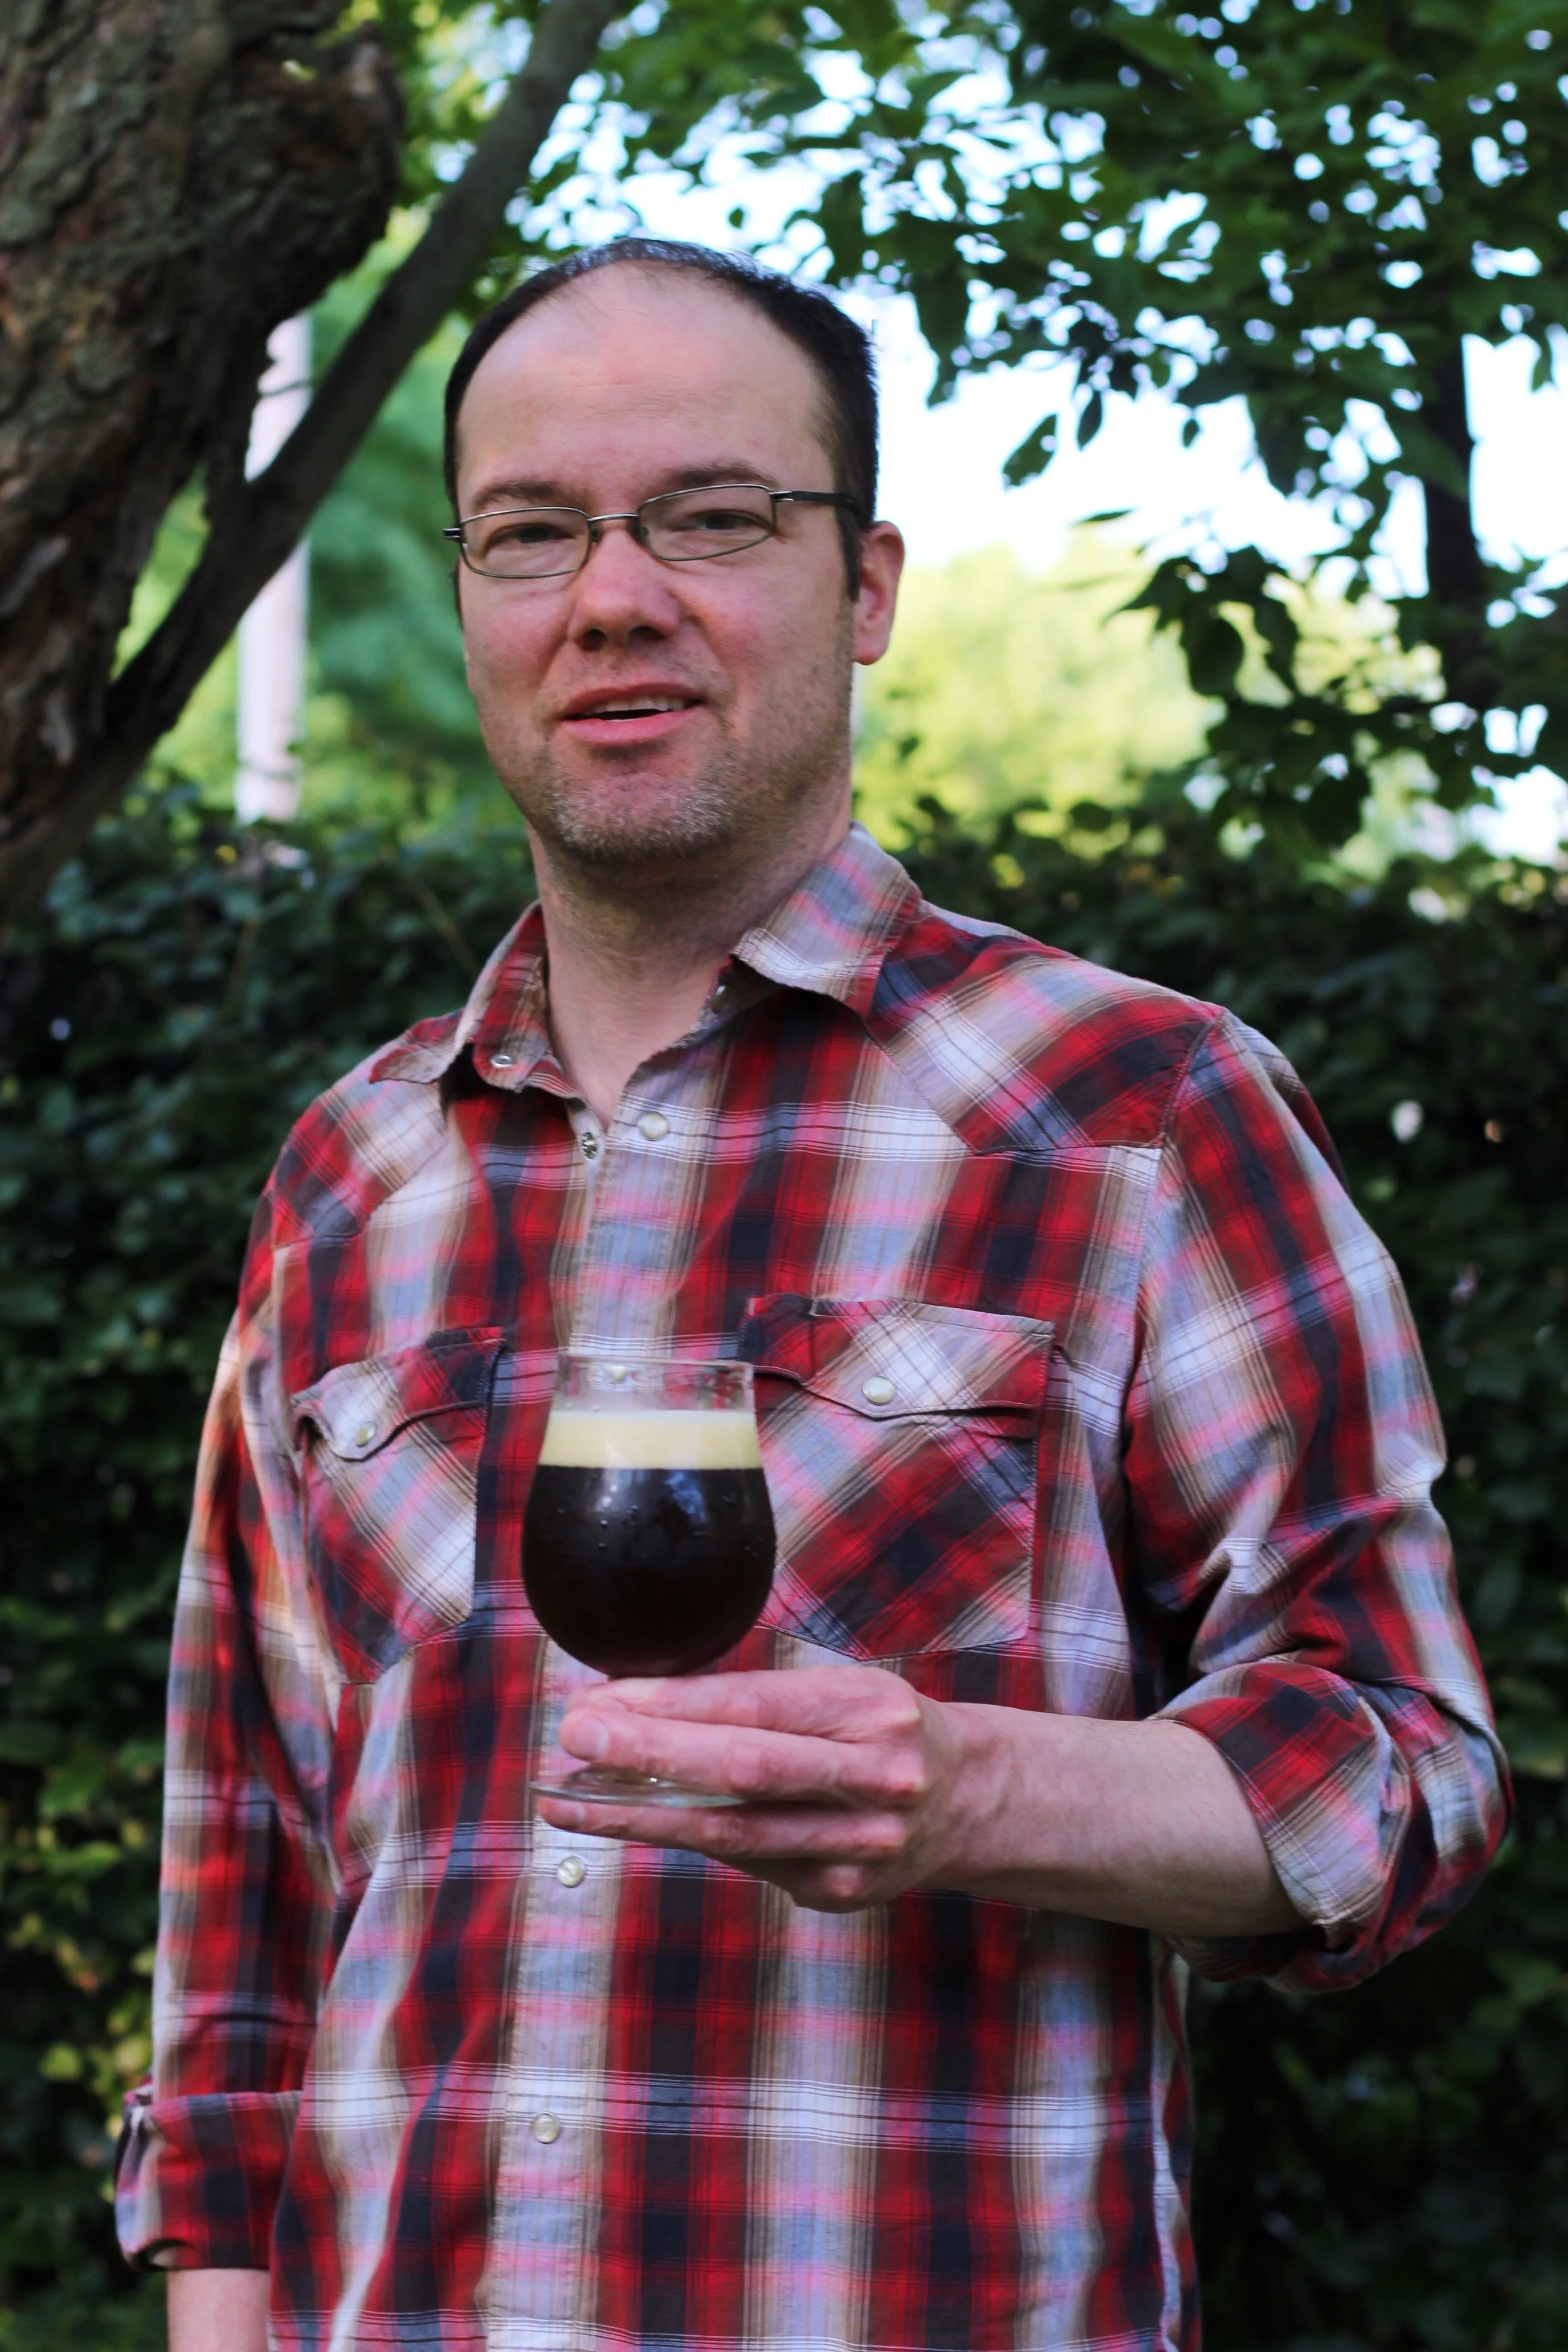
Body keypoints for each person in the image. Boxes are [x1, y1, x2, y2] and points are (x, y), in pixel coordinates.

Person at [117, 238, 1508, 2352]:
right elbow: (246, 1901)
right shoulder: (350, 1174)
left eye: (707, 517)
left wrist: (972, 1786)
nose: (612, 595)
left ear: (862, 589)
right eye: (531, 533)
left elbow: (1401, 1765)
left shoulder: (1135, 1114)